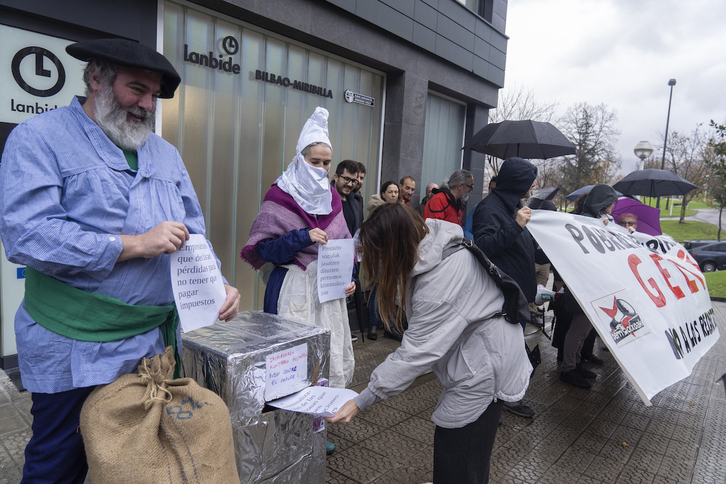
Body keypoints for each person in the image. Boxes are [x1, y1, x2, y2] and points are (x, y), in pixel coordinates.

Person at [0, 38, 241, 483]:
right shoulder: (39, 138)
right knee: (59, 460)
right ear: (96, 78)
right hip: (71, 342)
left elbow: (194, 234)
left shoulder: (165, 154)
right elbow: (27, 235)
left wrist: (216, 284)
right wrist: (131, 244)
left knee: (138, 457)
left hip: (148, 346)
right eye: (137, 89)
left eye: (155, 96)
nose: (147, 105)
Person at [327, 203, 531, 484]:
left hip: (485, 367)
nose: (378, 265)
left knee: (461, 457)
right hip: (485, 354)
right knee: (465, 456)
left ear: (395, 248)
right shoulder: (434, 240)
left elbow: (414, 354)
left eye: (379, 256)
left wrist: (360, 400)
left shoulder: (439, 284)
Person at [241, 107, 355, 394]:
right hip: (293, 288)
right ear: (300, 158)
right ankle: (288, 428)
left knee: (327, 356)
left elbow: (343, 244)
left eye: (327, 163)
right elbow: (265, 249)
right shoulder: (280, 194)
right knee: (291, 361)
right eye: (314, 161)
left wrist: (349, 278)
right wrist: (301, 237)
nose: (321, 168)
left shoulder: (332, 197)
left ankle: (318, 422)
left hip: (327, 293)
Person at [471, 157, 537, 419]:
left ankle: (504, 397)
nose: (534, 185)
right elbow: (484, 247)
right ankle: (492, 404)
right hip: (502, 297)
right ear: (519, 182)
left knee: (510, 354)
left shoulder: (513, 207)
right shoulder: (489, 209)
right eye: (530, 180)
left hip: (517, 295)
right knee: (501, 355)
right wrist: (516, 225)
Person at [559, 184, 619, 389]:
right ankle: (568, 369)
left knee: (583, 330)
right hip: (582, 286)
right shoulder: (583, 222)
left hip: (591, 286)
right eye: (612, 202)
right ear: (604, 203)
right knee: (578, 329)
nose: (614, 206)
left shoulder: (598, 221)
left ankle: (575, 363)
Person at [366, 180, 403, 341]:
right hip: (379, 257)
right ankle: (373, 325)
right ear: (383, 194)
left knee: (390, 291)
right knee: (376, 290)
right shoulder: (376, 209)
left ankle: (389, 325)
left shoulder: (400, 210)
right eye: (390, 192)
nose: (394, 195)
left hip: (394, 257)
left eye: (396, 192)